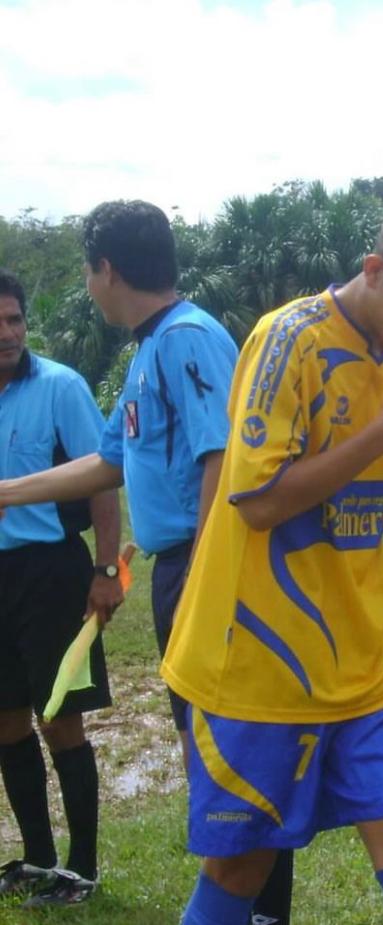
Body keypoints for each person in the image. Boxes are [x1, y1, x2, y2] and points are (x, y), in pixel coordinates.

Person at [160, 201, 383, 925]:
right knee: (241, 866)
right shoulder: (287, 340)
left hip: (366, 659)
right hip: (260, 659)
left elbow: (361, 486)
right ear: (374, 269)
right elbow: (258, 501)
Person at [0, 200, 294, 925]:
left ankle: (260, 910)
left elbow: (222, 459)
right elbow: (108, 461)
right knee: (208, 752)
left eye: (86, 269)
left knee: (232, 752)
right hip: (181, 566)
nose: (87, 284)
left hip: (203, 565)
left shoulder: (188, 339)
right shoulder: (150, 348)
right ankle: (243, 903)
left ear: (106, 268)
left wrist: (206, 577)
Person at [0, 271, 123, 906]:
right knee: (7, 724)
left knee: (61, 720)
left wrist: (105, 570)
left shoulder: (60, 387)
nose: (9, 334)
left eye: (15, 319)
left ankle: (81, 867)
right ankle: (40, 858)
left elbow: (102, 478)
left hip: (50, 574)